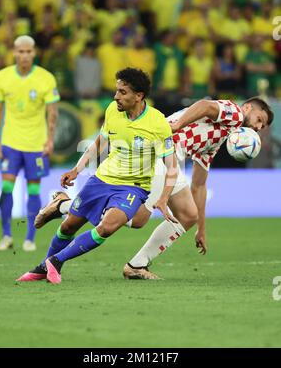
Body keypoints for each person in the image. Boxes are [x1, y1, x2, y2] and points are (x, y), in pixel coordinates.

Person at [34, 96, 274, 280]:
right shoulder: (233, 112)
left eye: (262, 127)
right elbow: (205, 104)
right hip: (160, 153)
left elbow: (199, 185)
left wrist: (201, 228)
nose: (258, 127)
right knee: (137, 219)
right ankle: (65, 205)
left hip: (174, 162)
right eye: (260, 120)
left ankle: (137, 265)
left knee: (188, 215)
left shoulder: (219, 137)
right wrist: (178, 123)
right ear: (248, 109)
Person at [17, 68, 178, 283]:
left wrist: (164, 196)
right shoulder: (113, 110)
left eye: (122, 92)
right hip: (102, 180)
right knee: (68, 226)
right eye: (116, 91)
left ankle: (54, 261)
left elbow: (172, 165)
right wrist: (77, 169)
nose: (116, 96)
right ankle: (44, 267)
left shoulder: (158, 123)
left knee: (108, 227)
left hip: (133, 187)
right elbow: (100, 142)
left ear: (138, 96)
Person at [0, 35, 59, 252]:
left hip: (36, 144)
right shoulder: (2, 77)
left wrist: (49, 140)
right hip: (10, 141)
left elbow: (52, 112)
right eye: (20, 51)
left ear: (34, 53)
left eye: (28, 51)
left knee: (33, 191)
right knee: (7, 187)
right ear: (14, 52)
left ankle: (30, 237)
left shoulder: (45, 78)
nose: (24, 55)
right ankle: (6, 235)